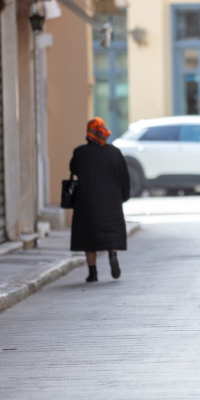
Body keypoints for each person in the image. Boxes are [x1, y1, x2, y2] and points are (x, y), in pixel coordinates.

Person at [69, 117, 131, 282]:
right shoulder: (114, 152)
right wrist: (124, 196)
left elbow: (73, 169)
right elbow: (124, 178)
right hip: (111, 201)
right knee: (111, 232)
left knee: (88, 237)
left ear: (88, 134)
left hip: (86, 203)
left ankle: (93, 272)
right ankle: (112, 254)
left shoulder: (80, 153)